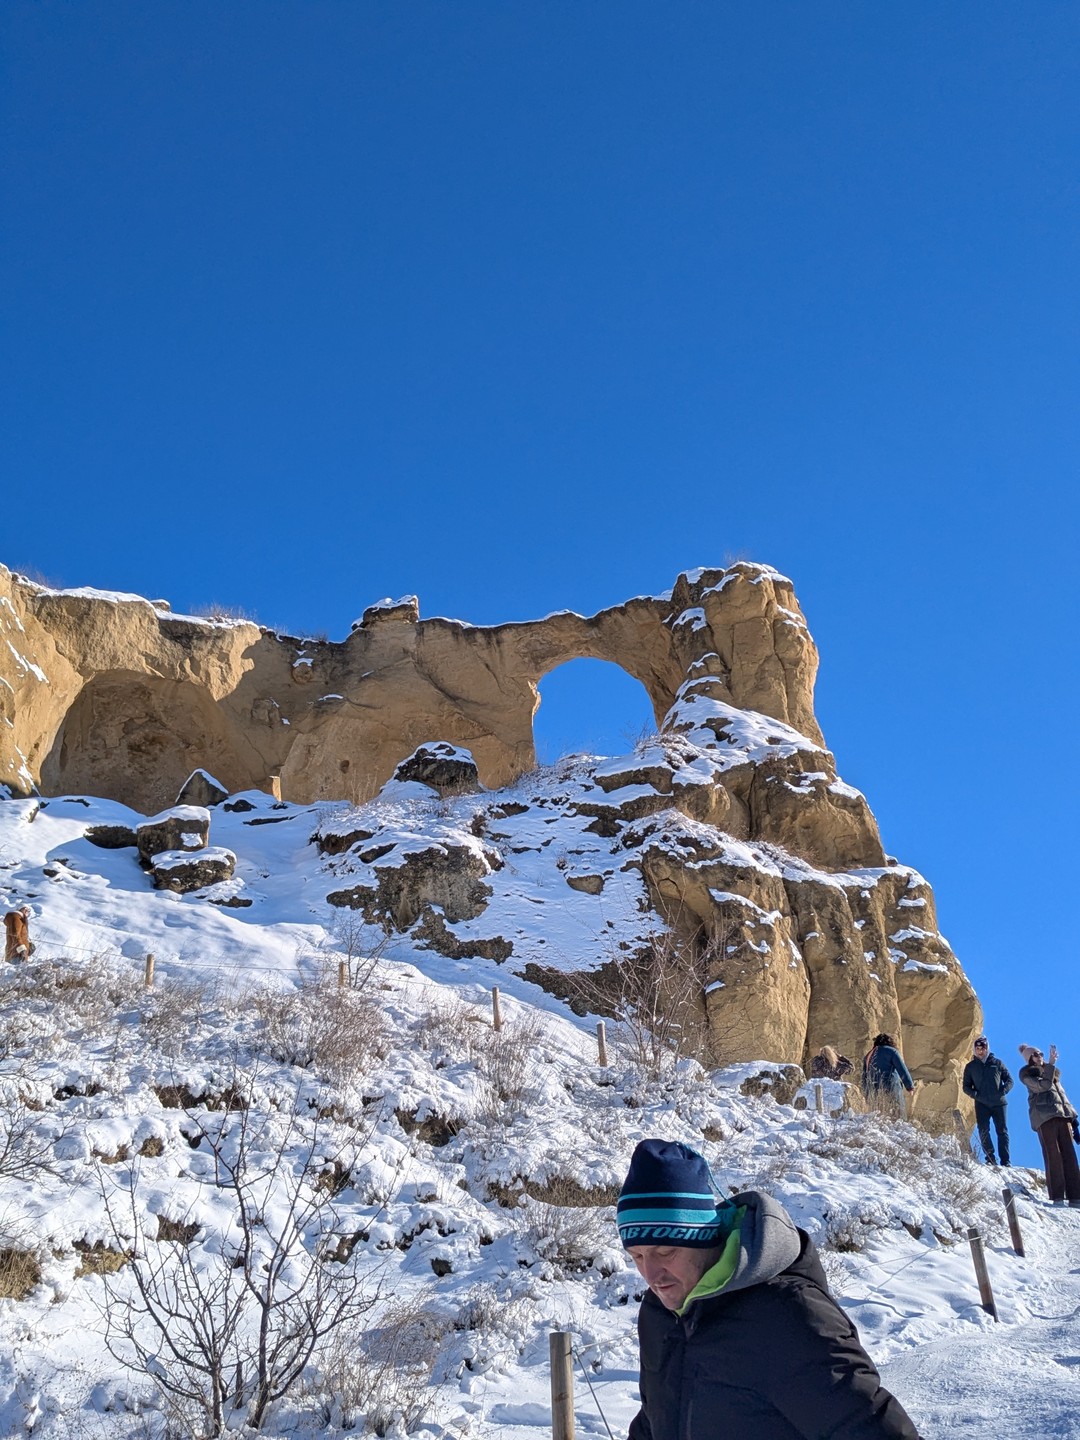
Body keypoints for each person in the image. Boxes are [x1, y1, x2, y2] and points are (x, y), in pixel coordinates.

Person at [619, 1138, 922, 1439]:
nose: (651, 1274)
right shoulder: (660, 1313)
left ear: (703, 1237)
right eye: (638, 1256)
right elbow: (659, 1415)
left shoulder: (786, 1315)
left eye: (665, 1252)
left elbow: (873, 1430)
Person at [1018, 1044, 1080, 1207]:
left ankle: (1076, 1197)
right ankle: (1057, 1197)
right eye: (1035, 1055)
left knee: (1070, 1157)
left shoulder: (1053, 1075)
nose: (1039, 1056)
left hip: (1063, 1117)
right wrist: (1051, 1064)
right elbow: (1043, 1086)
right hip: (1045, 1119)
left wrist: (1074, 1121)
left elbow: (1063, 1098)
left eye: (1041, 1053)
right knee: (1054, 1156)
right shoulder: (1028, 1075)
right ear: (1030, 1059)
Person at [962, 1035, 1012, 1166]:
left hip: (999, 1103)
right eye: (977, 1048)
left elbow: (1009, 1080)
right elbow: (965, 1087)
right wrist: (976, 1095)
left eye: (982, 1048)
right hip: (982, 1103)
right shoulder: (971, 1067)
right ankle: (990, 1158)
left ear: (987, 1048)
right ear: (974, 1049)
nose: (980, 1051)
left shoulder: (997, 1063)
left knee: (1002, 1131)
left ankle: (1005, 1161)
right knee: (983, 1130)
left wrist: (1003, 1091)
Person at [861, 1032, 915, 1115]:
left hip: (874, 1092)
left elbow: (865, 1077)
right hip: (892, 1088)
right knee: (898, 1114)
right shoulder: (892, 1052)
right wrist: (910, 1087)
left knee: (879, 1116)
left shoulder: (868, 1055)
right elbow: (902, 1069)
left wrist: (866, 1094)